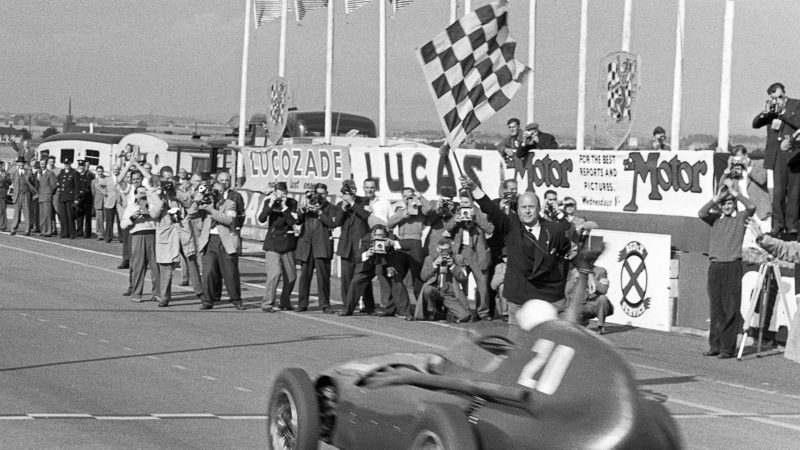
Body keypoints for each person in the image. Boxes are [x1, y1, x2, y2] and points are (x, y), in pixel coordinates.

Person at [461, 176, 577, 324]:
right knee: (517, 344)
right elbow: (489, 208)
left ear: (539, 208)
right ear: (518, 209)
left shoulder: (553, 229)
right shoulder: (511, 226)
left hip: (548, 298)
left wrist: (587, 272)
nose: (527, 211)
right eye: (523, 207)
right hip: (519, 299)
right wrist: (473, 188)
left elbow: (569, 248)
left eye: (531, 207)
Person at [698, 183, 756, 359]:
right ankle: (714, 346)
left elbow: (752, 206)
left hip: (732, 265)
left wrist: (734, 193)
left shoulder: (740, 217)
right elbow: (701, 213)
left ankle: (727, 348)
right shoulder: (715, 219)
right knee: (716, 309)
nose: (727, 206)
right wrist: (716, 198)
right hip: (715, 267)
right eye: (724, 204)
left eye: (730, 203)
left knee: (730, 308)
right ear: (720, 206)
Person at [752, 82, 800, 240]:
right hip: (777, 155)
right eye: (773, 98)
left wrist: (784, 112)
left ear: (784, 94)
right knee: (778, 193)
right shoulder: (771, 110)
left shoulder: (796, 105)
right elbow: (755, 124)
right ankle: (777, 225)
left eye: (779, 97)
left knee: (794, 193)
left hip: (794, 154)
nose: (777, 100)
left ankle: (791, 225)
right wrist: (765, 113)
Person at [150, 176, 202, 307]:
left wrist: (175, 193)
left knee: (191, 259)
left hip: (182, 230)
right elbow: (154, 214)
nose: (167, 183)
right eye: (165, 180)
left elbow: (189, 204)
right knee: (166, 265)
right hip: (167, 234)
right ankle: (164, 297)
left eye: (170, 180)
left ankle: (200, 292)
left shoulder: (178, 192)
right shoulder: (153, 194)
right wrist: (161, 198)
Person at [193, 181, 244, 310]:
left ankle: (236, 299)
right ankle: (208, 300)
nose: (214, 194)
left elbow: (228, 220)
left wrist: (211, 210)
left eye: (218, 192)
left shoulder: (230, 204)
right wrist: (197, 200)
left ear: (223, 192)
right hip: (209, 239)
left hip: (225, 240)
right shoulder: (205, 203)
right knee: (208, 271)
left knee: (230, 272)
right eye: (213, 191)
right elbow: (192, 213)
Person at [295, 183, 342, 313]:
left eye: (322, 193)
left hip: (322, 245)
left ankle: (325, 304)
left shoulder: (331, 208)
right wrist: (302, 210)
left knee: (323, 277)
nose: (320, 196)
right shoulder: (308, 204)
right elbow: (298, 221)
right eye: (318, 193)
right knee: (304, 277)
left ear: (327, 193)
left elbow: (332, 224)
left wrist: (320, 212)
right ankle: (302, 303)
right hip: (307, 245)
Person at [449, 191, 494, 320]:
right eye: (463, 202)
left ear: (472, 203)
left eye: (467, 203)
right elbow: (447, 229)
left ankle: (483, 313)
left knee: (482, 284)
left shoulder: (480, 213)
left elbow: (490, 229)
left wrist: (476, 218)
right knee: (459, 282)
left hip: (478, 253)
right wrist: (455, 221)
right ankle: (464, 311)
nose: (465, 206)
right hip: (461, 252)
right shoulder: (456, 213)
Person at [258, 181, 298, 313]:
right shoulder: (269, 201)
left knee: (291, 276)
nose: (280, 195)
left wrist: (285, 206)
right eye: (278, 192)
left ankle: (285, 301)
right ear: (275, 192)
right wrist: (271, 204)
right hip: (273, 242)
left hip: (287, 241)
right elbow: (262, 218)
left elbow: (292, 221)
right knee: (274, 273)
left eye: (283, 192)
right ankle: (267, 303)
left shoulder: (292, 203)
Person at [336, 179, 375, 312]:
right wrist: (343, 206)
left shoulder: (363, 201)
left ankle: (369, 306)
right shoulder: (341, 204)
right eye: (347, 189)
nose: (349, 191)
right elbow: (337, 222)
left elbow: (364, 214)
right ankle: (347, 305)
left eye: (351, 189)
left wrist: (352, 202)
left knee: (363, 276)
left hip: (360, 245)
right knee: (346, 277)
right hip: (346, 245)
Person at [338, 224, 395, 316]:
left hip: (383, 264)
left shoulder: (390, 239)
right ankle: (347, 309)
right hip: (368, 265)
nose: (379, 238)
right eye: (377, 235)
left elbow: (396, 248)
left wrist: (390, 245)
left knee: (389, 282)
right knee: (356, 282)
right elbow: (357, 257)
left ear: (386, 235)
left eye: (382, 235)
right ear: (372, 235)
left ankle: (389, 310)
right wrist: (367, 253)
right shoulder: (366, 240)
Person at [414, 237, 472, 322]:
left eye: (446, 249)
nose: (444, 252)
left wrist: (452, 265)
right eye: (441, 250)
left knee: (464, 316)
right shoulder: (430, 258)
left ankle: (449, 313)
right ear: (437, 249)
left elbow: (463, 277)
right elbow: (423, 277)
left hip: (450, 293)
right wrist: (434, 265)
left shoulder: (458, 258)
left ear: (450, 249)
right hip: (435, 290)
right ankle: (432, 311)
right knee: (427, 290)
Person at [120, 184, 161, 303]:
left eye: (145, 192)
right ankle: (136, 293)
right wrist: (133, 218)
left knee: (156, 266)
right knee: (138, 266)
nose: (143, 195)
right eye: (140, 193)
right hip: (138, 235)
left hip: (152, 234)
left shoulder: (153, 204)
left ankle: (157, 293)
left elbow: (158, 215)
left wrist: (151, 210)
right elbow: (123, 224)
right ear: (136, 195)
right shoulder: (131, 207)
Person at [565, 248, 613, 334]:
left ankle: (600, 326)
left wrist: (588, 279)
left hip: (594, 303)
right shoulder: (575, 272)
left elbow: (604, 289)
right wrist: (574, 280)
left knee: (603, 298)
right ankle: (578, 323)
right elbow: (567, 292)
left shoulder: (601, 271)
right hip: (580, 304)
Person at [9, 157, 36, 236]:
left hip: (26, 194)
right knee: (16, 213)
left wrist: (31, 191)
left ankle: (27, 230)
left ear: (24, 164)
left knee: (26, 212)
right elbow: (12, 183)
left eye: (22, 163)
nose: (20, 164)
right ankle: (13, 229)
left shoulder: (29, 172)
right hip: (17, 194)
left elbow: (33, 182)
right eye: (19, 163)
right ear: (17, 164)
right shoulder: (14, 173)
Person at [37, 157, 58, 237]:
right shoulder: (40, 173)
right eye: (41, 164)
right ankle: (43, 230)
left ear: (46, 164)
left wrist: (49, 192)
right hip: (41, 196)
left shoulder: (50, 173)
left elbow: (54, 185)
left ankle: (49, 231)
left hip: (47, 196)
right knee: (42, 215)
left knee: (47, 214)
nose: (42, 165)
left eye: (43, 164)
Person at [74, 160, 94, 238]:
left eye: (83, 166)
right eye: (80, 166)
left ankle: (87, 233)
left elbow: (88, 187)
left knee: (87, 216)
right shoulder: (76, 175)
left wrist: (82, 194)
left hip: (87, 198)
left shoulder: (88, 175)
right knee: (79, 214)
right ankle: (79, 231)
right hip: (79, 198)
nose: (81, 168)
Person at [91, 166, 108, 241]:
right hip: (98, 202)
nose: (100, 173)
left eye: (101, 171)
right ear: (96, 172)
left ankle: (107, 233)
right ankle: (100, 234)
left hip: (107, 201)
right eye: (98, 171)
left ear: (103, 171)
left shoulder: (107, 179)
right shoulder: (94, 181)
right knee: (99, 219)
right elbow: (93, 193)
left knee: (107, 218)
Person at [0, 161, 10, 232]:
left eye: (0, 165)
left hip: (2, 193)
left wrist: (4, 178)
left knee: (2, 210)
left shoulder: (6, 173)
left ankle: (3, 226)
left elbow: (10, 182)